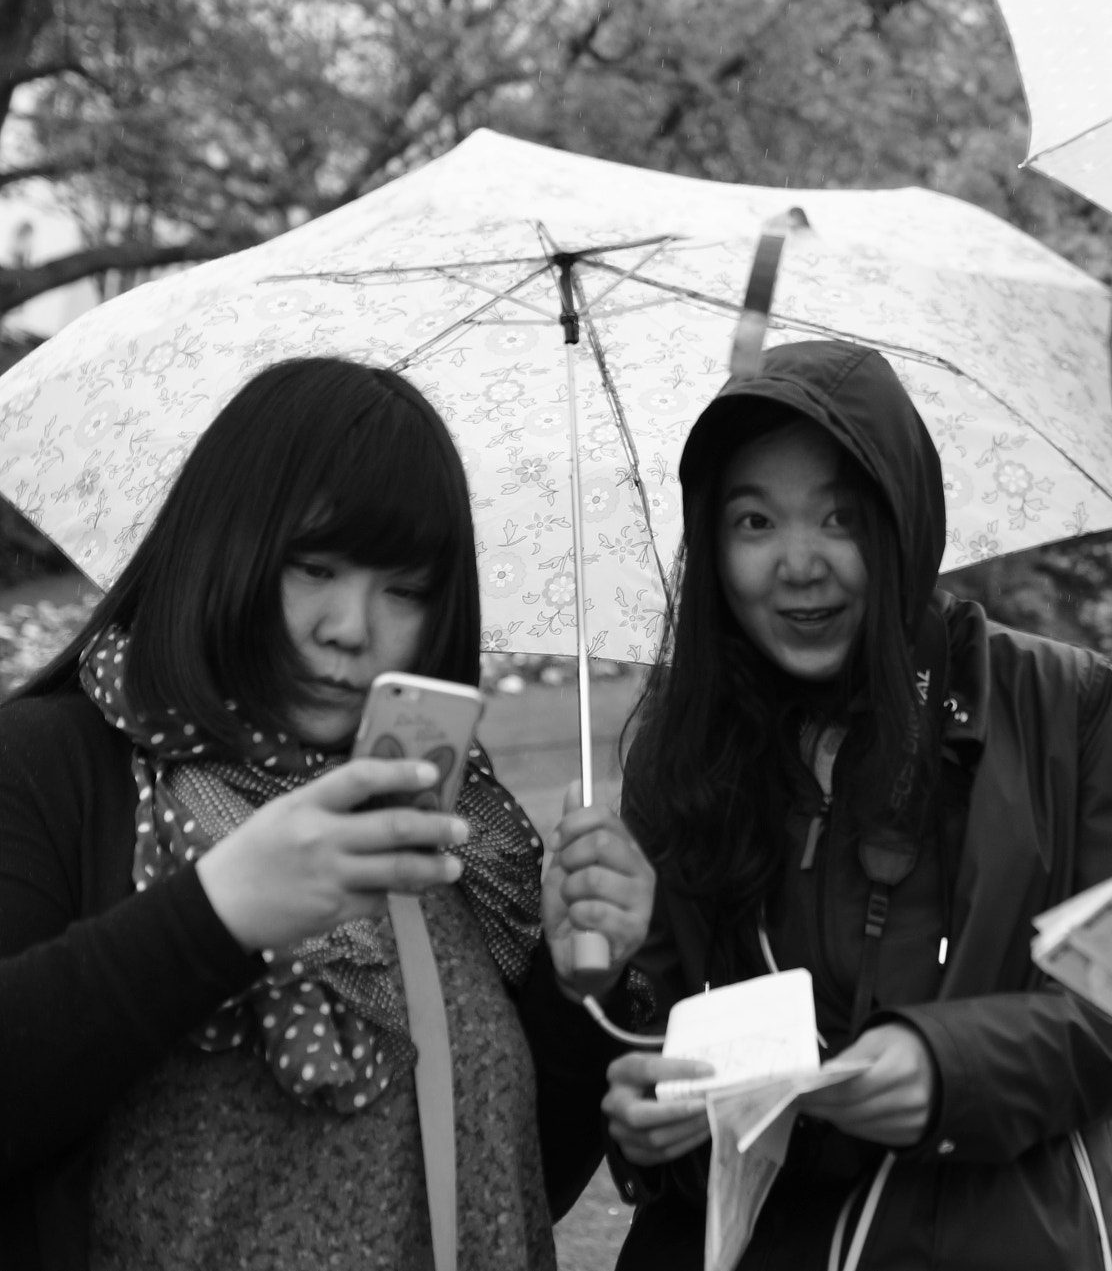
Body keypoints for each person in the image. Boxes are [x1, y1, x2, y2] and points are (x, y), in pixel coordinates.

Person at [0, 358, 655, 1270]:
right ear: (221, 543)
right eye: (314, 566)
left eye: (405, 588)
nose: (351, 625)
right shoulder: (57, 766)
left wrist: (577, 983)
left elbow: (509, 1186)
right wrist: (216, 913)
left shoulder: (452, 822)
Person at [600, 340, 1112, 1270]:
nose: (798, 564)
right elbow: (656, 1026)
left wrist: (953, 1069)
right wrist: (637, 1094)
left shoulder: (1061, 707)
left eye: (839, 518)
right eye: (754, 522)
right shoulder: (685, 742)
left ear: (904, 521)